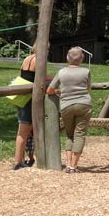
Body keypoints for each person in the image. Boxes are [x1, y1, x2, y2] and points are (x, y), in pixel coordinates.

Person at [47, 46, 92, 174]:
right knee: (80, 134)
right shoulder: (86, 71)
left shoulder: (61, 72)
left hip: (66, 105)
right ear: (82, 59)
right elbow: (88, 88)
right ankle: (74, 165)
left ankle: (67, 163)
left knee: (69, 134)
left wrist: (58, 91)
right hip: (84, 104)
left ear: (67, 58)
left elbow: (49, 90)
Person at [12, 53, 40, 170]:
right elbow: (40, 77)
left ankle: (21, 159)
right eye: (48, 49)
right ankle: (18, 162)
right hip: (28, 98)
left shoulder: (27, 59)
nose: (48, 51)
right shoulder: (39, 60)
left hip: (20, 95)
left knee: (23, 131)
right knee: (24, 131)